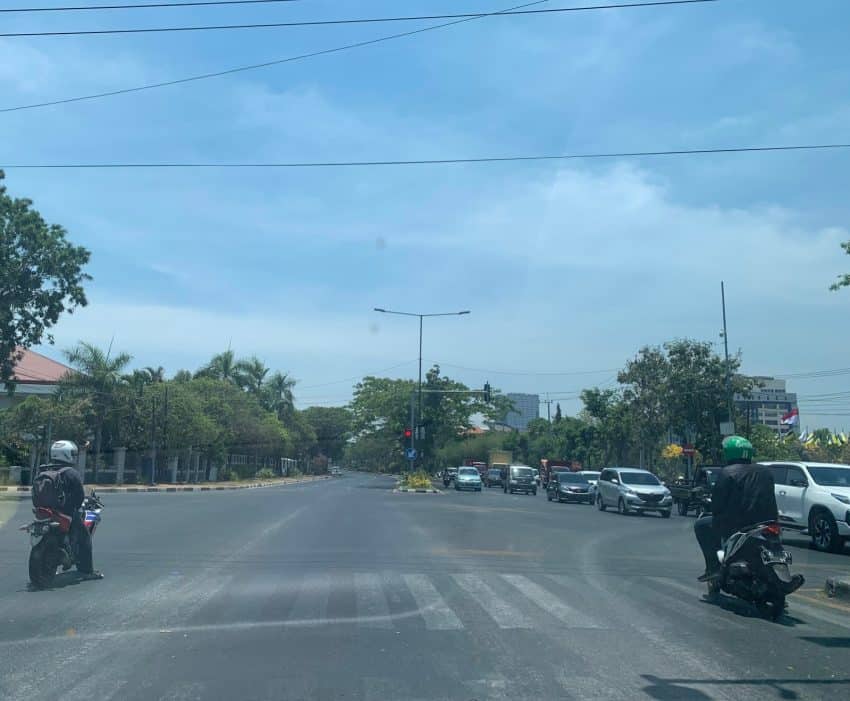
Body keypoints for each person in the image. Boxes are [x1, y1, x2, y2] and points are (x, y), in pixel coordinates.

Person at [694, 435, 778, 582]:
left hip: (736, 524)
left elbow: (717, 504)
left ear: (729, 453)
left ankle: (713, 567)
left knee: (701, 525)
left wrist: (714, 508)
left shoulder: (727, 472)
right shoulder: (765, 472)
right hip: (767, 523)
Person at [43, 440, 103, 581]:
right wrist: (74, 507)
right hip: (64, 512)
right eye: (72, 454)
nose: (74, 457)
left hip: (45, 511)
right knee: (84, 537)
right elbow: (79, 496)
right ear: (65, 454)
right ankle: (87, 571)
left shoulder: (45, 470)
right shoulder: (71, 473)